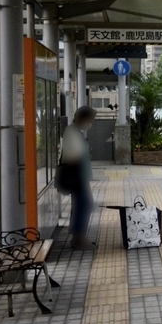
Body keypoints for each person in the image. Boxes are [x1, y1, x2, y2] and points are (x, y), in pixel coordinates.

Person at [60, 106, 96, 250]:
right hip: (76, 175)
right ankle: (79, 238)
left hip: (80, 175)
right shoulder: (72, 132)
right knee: (85, 205)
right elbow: (73, 156)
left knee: (82, 205)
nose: (91, 123)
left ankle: (78, 236)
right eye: (90, 120)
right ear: (83, 118)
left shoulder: (75, 131)